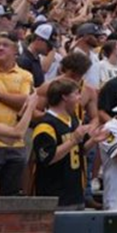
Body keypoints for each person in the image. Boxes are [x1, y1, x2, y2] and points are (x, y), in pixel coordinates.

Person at [33, 78, 103, 209]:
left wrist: (94, 139)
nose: (79, 97)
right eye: (76, 94)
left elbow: (80, 151)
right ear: (64, 97)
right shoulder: (46, 125)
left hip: (76, 193)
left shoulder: (73, 120)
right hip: (55, 196)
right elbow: (47, 158)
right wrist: (73, 140)